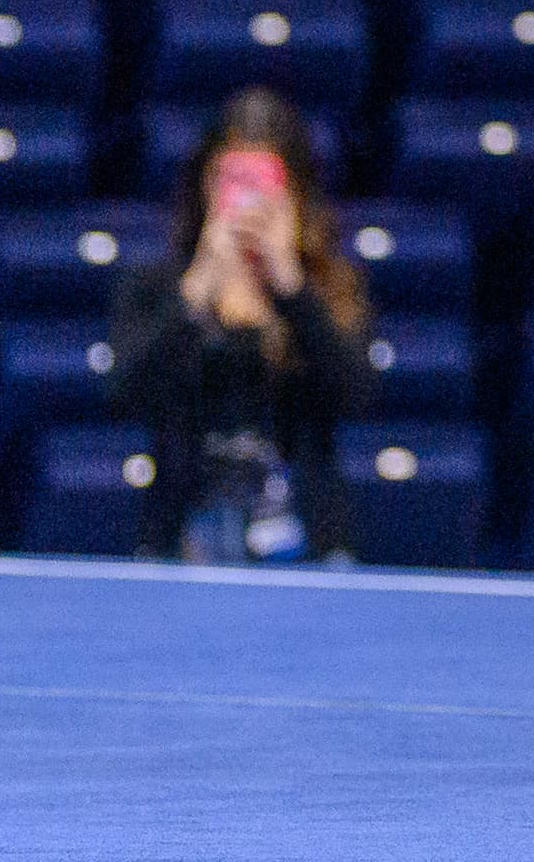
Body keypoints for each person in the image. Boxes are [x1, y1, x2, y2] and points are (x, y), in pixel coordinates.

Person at [109, 89, 373, 565]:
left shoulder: (329, 289)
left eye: (265, 185)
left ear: (294, 193)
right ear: (204, 186)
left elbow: (355, 397)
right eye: (231, 182)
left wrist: (290, 286)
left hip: (310, 540)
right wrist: (197, 290)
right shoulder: (158, 286)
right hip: (181, 539)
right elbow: (125, 394)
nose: (247, 204)